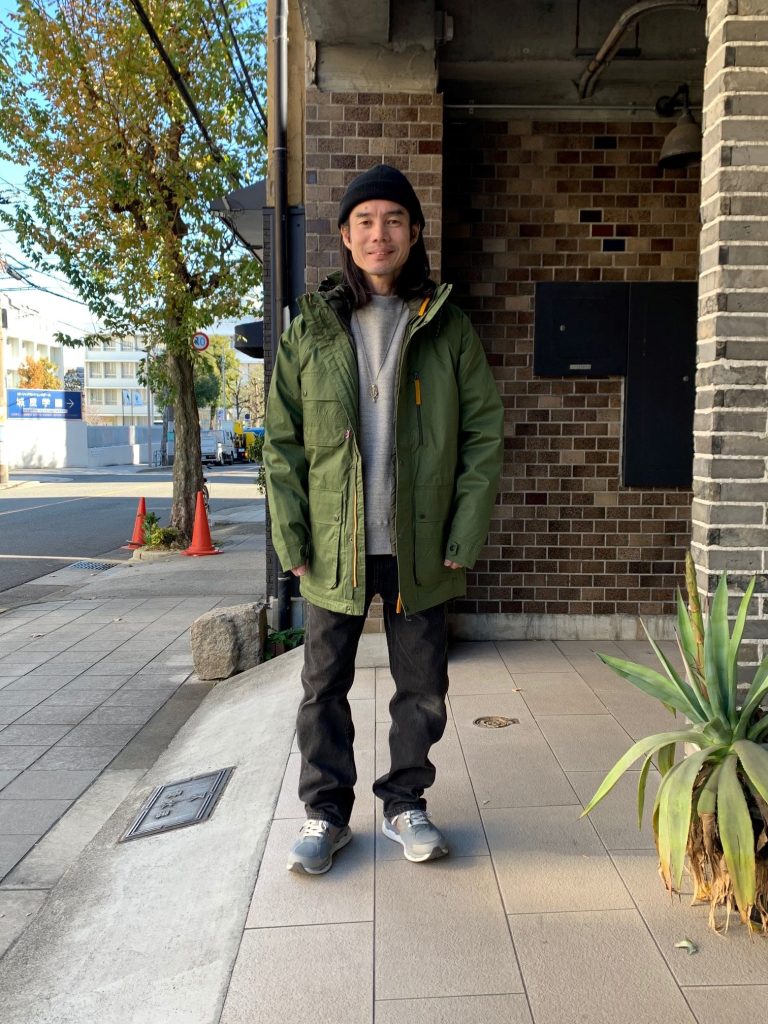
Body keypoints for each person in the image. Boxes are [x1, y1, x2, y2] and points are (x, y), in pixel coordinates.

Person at [264, 163, 503, 875]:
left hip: (418, 544)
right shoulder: (310, 328)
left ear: (414, 232)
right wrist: (292, 536)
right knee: (322, 689)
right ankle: (326, 813)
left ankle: (406, 803)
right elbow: (281, 444)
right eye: (365, 221)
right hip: (332, 546)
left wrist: (463, 533)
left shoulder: (448, 326)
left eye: (393, 220)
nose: (379, 234)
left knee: (422, 687)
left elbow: (483, 437)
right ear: (345, 235)